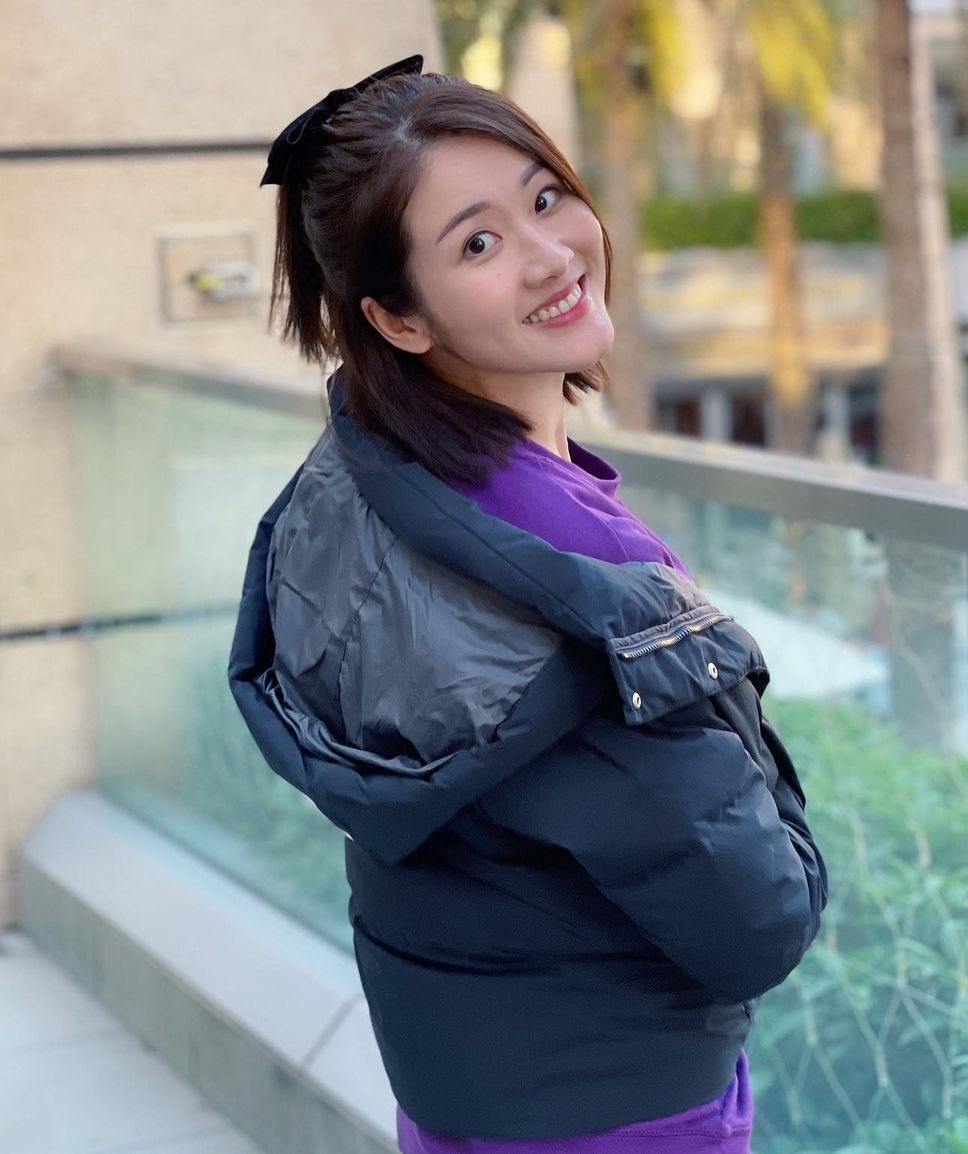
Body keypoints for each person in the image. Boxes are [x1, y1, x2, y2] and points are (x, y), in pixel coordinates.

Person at [228, 54, 827, 1154]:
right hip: (623, 1114)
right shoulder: (570, 581)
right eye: (478, 243)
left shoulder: (354, 484)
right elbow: (760, 922)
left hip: (457, 1086)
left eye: (545, 197)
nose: (553, 255)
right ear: (398, 319)